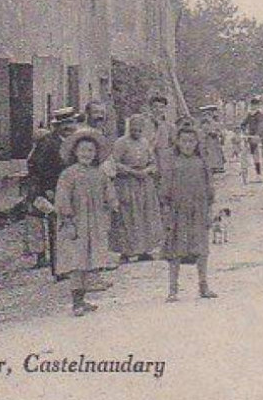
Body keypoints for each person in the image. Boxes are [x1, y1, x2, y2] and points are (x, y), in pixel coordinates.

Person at [54, 130, 119, 317]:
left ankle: (83, 298)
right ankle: (76, 303)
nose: (87, 154)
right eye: (83, 150)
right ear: (75, 152)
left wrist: (113, 204)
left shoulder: (99, 174)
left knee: (89, 260)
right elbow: (63, 198)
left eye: (90, 151)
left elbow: (109, 192)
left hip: (94, 222)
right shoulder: (68, 174)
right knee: (76, 261)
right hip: (76, 223)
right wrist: (67, 219)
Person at [159, 123, 217, 302]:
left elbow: (209, 190)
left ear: (196, 143)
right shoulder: (172, 164)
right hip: (178, 213)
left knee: (201, 249)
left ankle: (203, 285)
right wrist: (167, 211)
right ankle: (173, 289)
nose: (188, 145)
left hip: (198, 211)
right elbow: (165, 190)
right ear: (177, 142)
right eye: (184, 141)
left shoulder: (202, 163)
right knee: (176, 251)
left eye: (191, 141)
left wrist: (208, 211)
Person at [24, 107, 79, 275]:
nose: (70, 127)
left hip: (70, 189)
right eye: (66, 124)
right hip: (52, 190)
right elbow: (37, 167)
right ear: (58, 126)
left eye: (72, 123)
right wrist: (47, 189)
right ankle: (60, 269)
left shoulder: (74, 141)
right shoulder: (48, 143)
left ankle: (72, 263)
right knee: (57, 227)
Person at [106, 113, 163, 263]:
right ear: (129, 127)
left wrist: (147, 170)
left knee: (145, 215)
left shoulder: (144, 143)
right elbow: (115, 163)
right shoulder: (121, 143)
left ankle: (145, 249)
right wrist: (131, 171)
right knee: (127, 216)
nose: (136, 132)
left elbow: (152, 161)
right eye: (133, 129)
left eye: (139, 129)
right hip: (127, 182)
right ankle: (126, 251)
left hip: (144, 183)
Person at [240, 97, 263, 178]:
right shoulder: (249, 114)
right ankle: (246, 170)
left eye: (255, 105)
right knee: (247, 154)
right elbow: (243, 124)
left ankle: (258, 173)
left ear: (257, 106)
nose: (253, 107)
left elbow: (261, 125)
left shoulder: (260, 115)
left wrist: (258, 134)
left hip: (258, 137)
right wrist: (243, 131)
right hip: (250, 136)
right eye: (252, 105)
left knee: (257, 155)